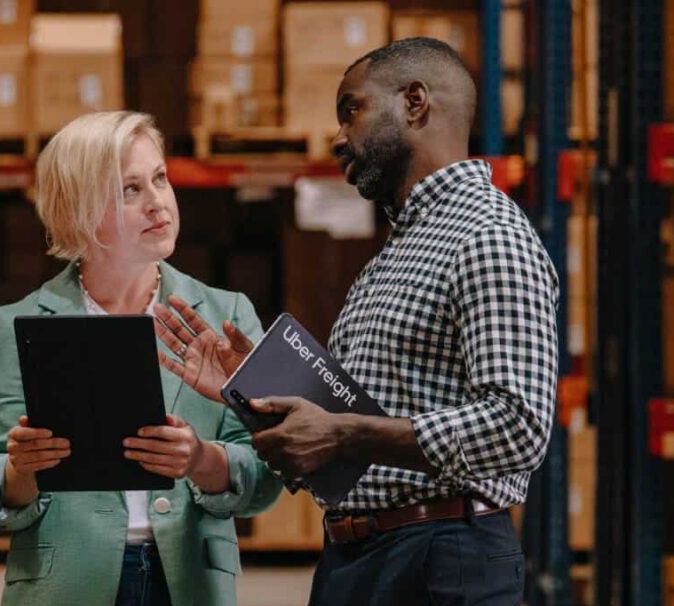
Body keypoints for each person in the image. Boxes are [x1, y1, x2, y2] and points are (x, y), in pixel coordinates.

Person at [156, 38, 558, 605]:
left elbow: (517, 426)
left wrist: (342, 433)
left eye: (352, 110)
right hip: (359, 561)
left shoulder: (486, 235)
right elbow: (365, 416)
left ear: (415, 103)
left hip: (441, 560)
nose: (339, 138)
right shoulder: (401, 247)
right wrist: (257, 391)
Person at [0, 110, 281, 606]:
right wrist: (21, 471)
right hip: (68, 586)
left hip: (191, 583)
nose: (159, 203)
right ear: (80, 210)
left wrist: (200, 459)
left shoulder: (226, 314)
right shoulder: (16, 325)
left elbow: (266, 472)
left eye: (160, 179)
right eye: (130, 190)